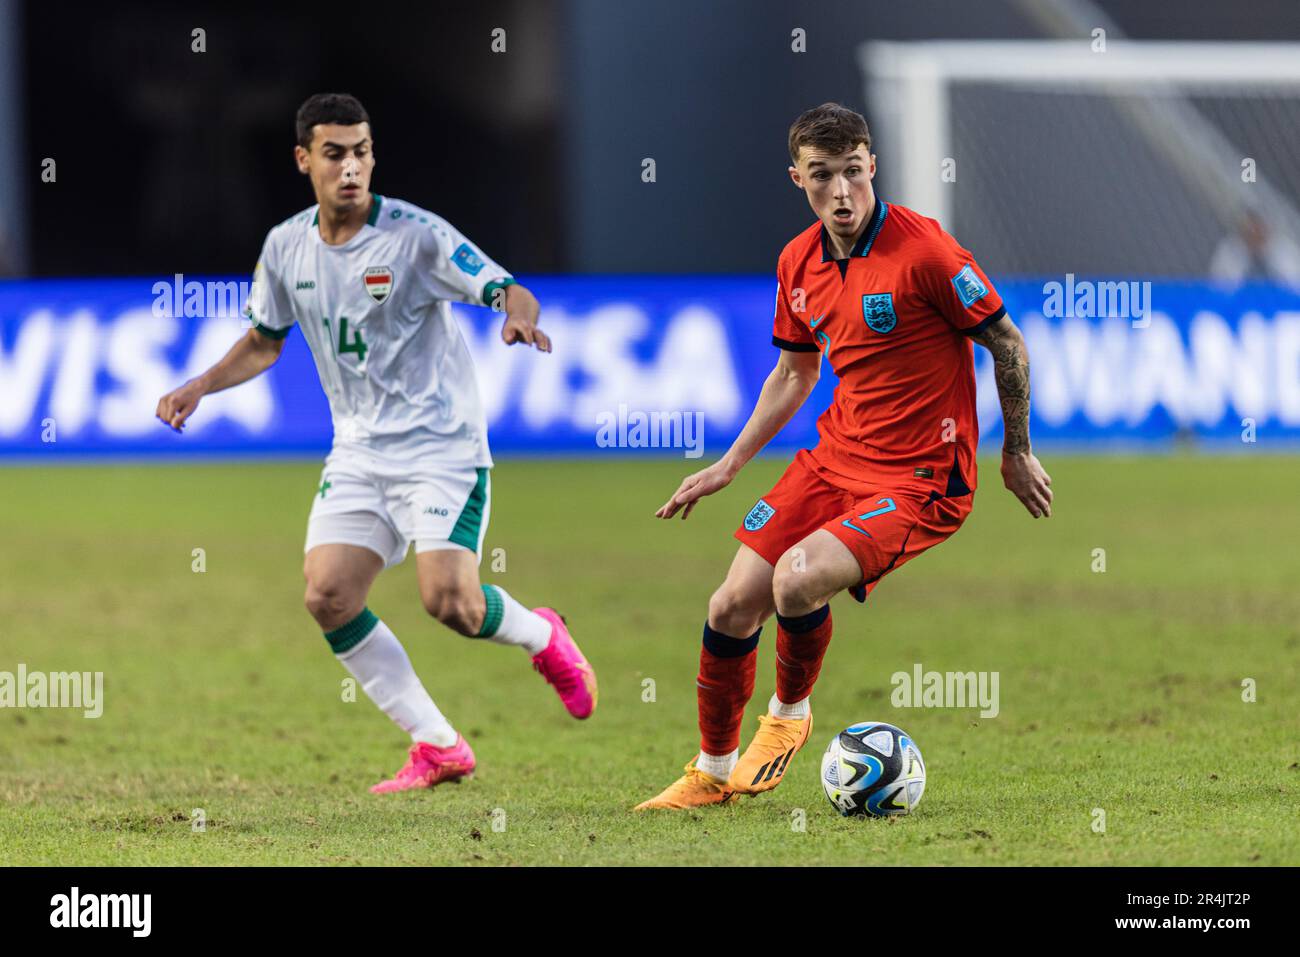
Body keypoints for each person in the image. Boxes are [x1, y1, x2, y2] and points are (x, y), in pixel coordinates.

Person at [156, 93, 596, 794]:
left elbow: (508, 288)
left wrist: (516, 318)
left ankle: (545, 636)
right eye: (335, 154)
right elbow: (265, 343)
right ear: (304, 160)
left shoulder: (416, 236)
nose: (352, 167)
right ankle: (438, 744)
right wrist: (200, 385)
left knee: (449, 602)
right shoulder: (284, 247)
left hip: (441, 447)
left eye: (362, 151)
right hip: (359, 451)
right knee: (328, 594)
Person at [636, 102, 1051, 811]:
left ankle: (790, 716)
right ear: (797, 176)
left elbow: (1007, 343)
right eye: (822, 175)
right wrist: (727, 465)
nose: (841, 192)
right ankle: (710, 772)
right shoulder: (796, 261)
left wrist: (1016, 450)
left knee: (796, 580)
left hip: (924, 478)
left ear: (872, 167)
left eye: (853, 173)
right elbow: (794, 374)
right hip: (835, 459)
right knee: (731, 603)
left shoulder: (927, 252)